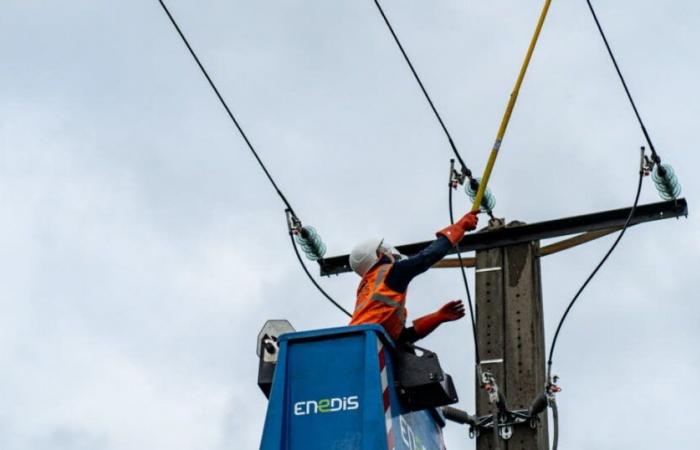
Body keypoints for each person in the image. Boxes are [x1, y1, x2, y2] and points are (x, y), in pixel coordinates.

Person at [348, 211, 479, 345]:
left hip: (357, 345)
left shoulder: (372, 292)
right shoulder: (388, 274)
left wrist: (438, 317)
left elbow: (403, 338)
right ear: (379, 255)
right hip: (361, 345)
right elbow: (427, 257)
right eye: (383, 249)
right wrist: (460, 227)